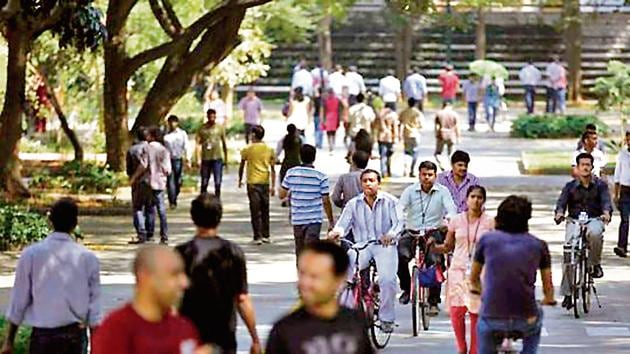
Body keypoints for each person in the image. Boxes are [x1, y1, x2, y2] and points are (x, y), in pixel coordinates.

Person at [2, 199, 101, 354]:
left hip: (42, 338)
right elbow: (94, 307)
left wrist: (9, 341)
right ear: (75, 224)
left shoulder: (31, 254)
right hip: (74, 337)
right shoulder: (87, 258)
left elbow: (19, 300)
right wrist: (97, 346)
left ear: (50, 222)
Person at [176, 194, 261, 354]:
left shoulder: (181, 253)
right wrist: (254, 338)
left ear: (193, 217)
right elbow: (241, 299)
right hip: (223, 336)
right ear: (219, 217)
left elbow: (171, 298)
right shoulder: (233, 253)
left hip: (188, 337)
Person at [471, 195, 556, 354]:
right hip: (526, 316)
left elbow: (474, 278)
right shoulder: (539, 245)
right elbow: (548, 288)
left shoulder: (487, 240)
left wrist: (479, 291)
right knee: (536, 322)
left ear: (499, 218)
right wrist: (548, 299)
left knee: (483, 329)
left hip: (492, 315)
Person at [92, 245, 210, 354]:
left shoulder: (184, 328)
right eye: (174, 274)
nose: (184, 283)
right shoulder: (116, 331)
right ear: (145, 277)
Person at [328, 169, 403, 333]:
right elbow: (343, 224)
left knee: (387, 280)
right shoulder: (353, 203)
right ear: (361, 184)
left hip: (384, 246)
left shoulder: (391, 202)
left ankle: (387, 319)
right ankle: (344, 312)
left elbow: (398, 224)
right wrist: (337, 232)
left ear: (379, 183)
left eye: (372, 180)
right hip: (362, 246)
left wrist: (390, 235)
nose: (368, 184)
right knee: (346, 273)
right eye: (365, 181)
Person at [266, 241, 374, 354]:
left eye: (315, 277)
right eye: (302, 274)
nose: (305, 283)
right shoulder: (284, 331)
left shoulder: (355, 323)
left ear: (339, 279)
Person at [430, 185, 493, 354]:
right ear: (466, 199)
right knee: (457, 310)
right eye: (472, 196)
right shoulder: (456, 220)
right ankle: (461, 347)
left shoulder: (490, 222)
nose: (476, 200)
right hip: (458, 268)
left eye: (479, 197)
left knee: (475, 311)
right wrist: (434, 247)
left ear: (484, 200)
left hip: (481, 271)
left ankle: (474, 350)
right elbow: (448, 246)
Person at [397, 161, 457, 314]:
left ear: (435, 176)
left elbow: (451, 209)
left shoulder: (443, 191)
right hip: (412, 230)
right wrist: (399, 221)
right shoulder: (410, 191)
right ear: (419, 175)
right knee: (400, 255)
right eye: (424, 174)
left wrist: (449, 219)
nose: (426, 178)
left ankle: (434, 301)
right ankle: (405, 288)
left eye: (430, 175)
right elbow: (399, 207)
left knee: (434, 262)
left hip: (433, 231)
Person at [555, 152, 612, 309]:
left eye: (588, 165)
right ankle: (567, 293)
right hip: (574, 220)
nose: (585, 168)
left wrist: (606, 213)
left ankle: (595, 264)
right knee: (568, 250)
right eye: (583, 165)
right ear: (577, 168)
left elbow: (606, 202)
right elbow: (561, 203)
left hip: (594, 219)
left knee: (595, 233)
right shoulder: (570, 187)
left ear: (592, 167)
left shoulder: (600, 186)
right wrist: (559, 213)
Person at [280, 145, 335, 258]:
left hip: (297, 219)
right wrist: (331, 221)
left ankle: (301, 274)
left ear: (300, 156)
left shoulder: (291, 173)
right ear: (314, 157)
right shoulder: (321, 177)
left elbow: (282, 195)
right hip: (314, 220)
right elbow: (326, 201)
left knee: (299, 250)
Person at [130, 126, 172, 244]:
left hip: (147, 182)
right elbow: (168, 170)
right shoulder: (164, 150)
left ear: (151, 136)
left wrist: (134, 178)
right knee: (161, 210)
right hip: (159, 183)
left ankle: (144, 233)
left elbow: (143, 165)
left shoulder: (147, 149)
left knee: (143, 206)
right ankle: (164, 236)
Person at [239, 125, 276, 245]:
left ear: (254, 135)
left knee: (255, 210)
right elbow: (273, 168)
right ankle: (266, 235)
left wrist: (240, 179)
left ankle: (257, 236)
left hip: (252, 183)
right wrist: (273, 185)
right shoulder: (269, 149)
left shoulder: (247, 149)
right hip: (265, 182)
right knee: (265, 209)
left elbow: (242, 165)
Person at [127, 127, 156, 244]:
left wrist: (132, 178)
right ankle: (150, 233)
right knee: (150, 207)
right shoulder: (153, 149)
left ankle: (141, 233)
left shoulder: (132, 150)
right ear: (148, 136)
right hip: (152, 181)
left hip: (138, 182)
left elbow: (129, 168)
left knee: (138, 207)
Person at [196, 108, 228, 198]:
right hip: (206, 158)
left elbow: (224, 143)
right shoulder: (202, 128)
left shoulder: (220, 127)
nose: (212, 119)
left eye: (213, 117)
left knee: (217, 182)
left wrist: (226, 159)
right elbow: (198, 144)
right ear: (207, 117)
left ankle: (217, 199)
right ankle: (202, 200)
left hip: (217, 158)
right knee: (204, 182)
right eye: (210, 117)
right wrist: (198, 159)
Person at [164, 115, 189, 209]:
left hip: (178, 159)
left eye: (174, 122)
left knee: (178, 181)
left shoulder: (182, 134)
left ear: (177, 123)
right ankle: (172, 201)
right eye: (170, 122)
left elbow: (186, 146)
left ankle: (175, 193)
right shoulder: (165, 135)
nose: (172, 124)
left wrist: (188, 158)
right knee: (170, 181)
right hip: (168, 160)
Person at [398, 97, 424, 177]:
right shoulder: (418, 113)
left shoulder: (403, 112)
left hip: (406, 134)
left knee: (407, 152)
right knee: (415, 152)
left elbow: (399, 123)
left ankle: (406, 169)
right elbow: (421, 125)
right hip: (415, 134)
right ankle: (412, 170)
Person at [614, 131, 630, 258]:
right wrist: (616, 194)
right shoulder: (622, 154)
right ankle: (622, 246)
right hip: (625, 191)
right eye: (628, 139)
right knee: (624, 219)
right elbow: (617, 175)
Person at [276, 124, 303, 195]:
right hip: (296, 163)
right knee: (296, 181)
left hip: (286, 163)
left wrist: (276, 160)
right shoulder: (299, 140)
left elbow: (277, 152)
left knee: (284, 180)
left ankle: (285, 197)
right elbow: (302, 152)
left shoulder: (283, 139)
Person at [434, 102, 461, 170]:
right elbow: (457, 126)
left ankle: (441, 162)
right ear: (450, 106)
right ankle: (452, 167)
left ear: (443, 106)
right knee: (451, 153)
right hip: (452, 135)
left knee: (438, 153)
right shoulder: (454, 114)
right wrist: (458, 137)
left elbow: (437, 126)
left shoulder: (439, 113)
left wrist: (436, 134)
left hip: (441, 134)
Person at [376, 105, 399, 177]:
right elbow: (395, 128)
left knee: (382, 156)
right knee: (389, 155)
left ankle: (383, 171)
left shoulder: (380, 116)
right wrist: (396, 137)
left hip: (381, 137)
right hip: (389, 138)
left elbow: (376, 126)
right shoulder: (393, 116)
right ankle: (388, 170)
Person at [322, 88, 342, 153]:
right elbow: (339, 109)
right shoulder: (337, 100)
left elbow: (324, 110)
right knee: (334, 132)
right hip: (335, 116)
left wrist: (324, 119)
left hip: (328, 116)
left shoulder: (326, 100)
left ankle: (330, 145)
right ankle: (333, 144)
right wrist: (339, 117)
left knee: (328, 132)